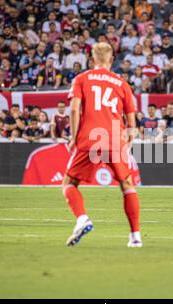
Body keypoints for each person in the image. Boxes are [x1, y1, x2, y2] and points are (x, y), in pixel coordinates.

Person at [63, 42, 141, 248]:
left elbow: (73, 109)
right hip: (116, 139)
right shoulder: (121, 83)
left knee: (69, 183)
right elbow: (132, 123)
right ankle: (135, 236)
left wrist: (73, 136)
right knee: (127, 185)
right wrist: (128, 141)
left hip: (90, 138)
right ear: (111, 59)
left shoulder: (81, 78)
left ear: (92, 59)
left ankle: (82, 219)